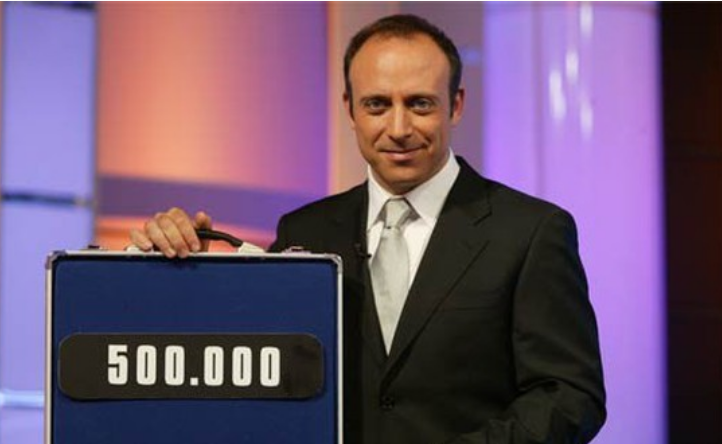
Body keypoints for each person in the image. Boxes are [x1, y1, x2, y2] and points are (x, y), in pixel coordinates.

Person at [130, 14, 606, 444]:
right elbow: (257, 371)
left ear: (456, 105)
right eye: (377, 105)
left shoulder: (531, 231)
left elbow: (569, 395)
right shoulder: (305, 231)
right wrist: (177, 272)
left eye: (420, 104)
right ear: (350, 109)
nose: (398, 128)